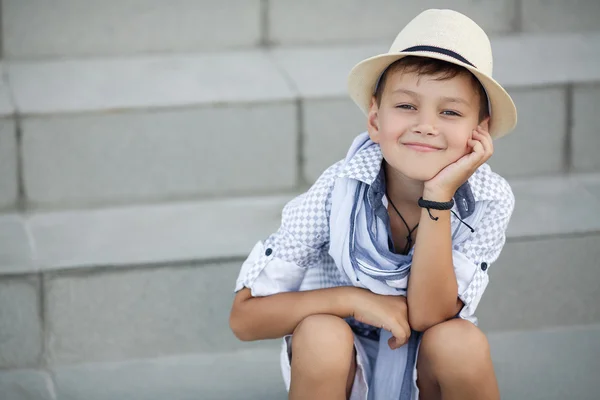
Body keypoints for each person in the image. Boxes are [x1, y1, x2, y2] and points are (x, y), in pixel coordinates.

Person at [229, 8, 517, 400]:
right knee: (321, 332)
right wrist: (353, 300)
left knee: (459, 343)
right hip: (342, 363)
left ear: (478, 132)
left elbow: (429, 316)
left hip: (423, 362)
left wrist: (438, 198)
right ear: (375, 119)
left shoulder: (487, 198)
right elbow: (244, 319)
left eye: (450, 112)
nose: (426, 125)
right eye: (407, 106)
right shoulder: (338, 189)